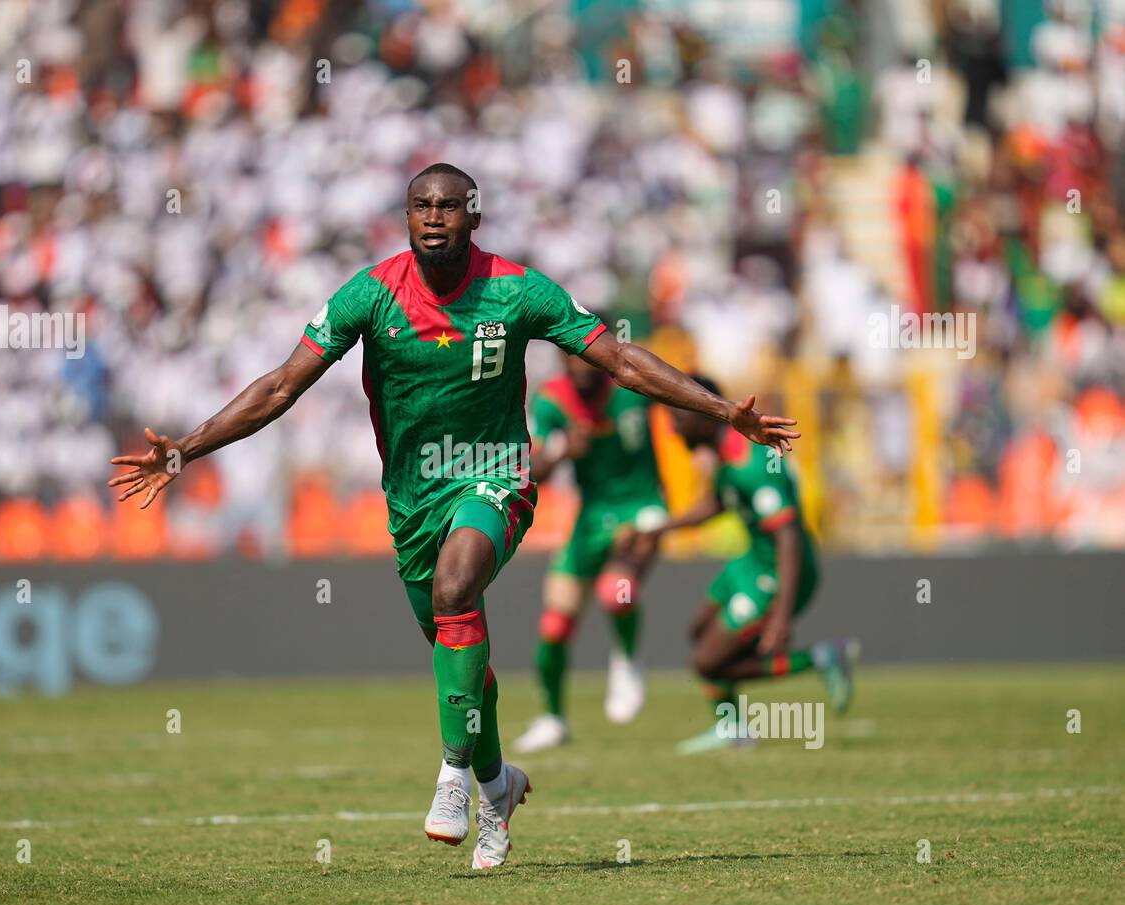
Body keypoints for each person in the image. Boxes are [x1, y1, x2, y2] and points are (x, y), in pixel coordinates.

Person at [109, 165, 800, 867]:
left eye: (447, 206)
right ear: (406, 217)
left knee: (454, 587)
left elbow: (619, 360)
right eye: (420, 206)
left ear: (474, 217)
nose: (433, 217)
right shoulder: (369, 296)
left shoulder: (519, 290)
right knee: (459, 651)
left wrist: (721, 411)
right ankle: (497, 785)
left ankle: (451, 778)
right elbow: (282, 385)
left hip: (497, 476)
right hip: (411, 501)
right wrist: (186, 450)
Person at [629, 374, 854, 755]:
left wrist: (781, 617)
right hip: (752, 561)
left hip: (777, 572)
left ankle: (819, 658)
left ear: (700, 416)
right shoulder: (725, 453)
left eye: (677, 418)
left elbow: (788, 538)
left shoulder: (750, 461)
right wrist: (662, 528)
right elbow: (718, 503)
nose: (673, 430)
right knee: (699, 631)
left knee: (707, 663)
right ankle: (733, 726)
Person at [515, 352, 667, 753]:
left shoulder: (632, 384)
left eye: (587, 359)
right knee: (554, 627)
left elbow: (683, 394)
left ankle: (629, 660)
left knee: (616, 593)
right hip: (591, 518)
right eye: (572, 360)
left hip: (643, 507)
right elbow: (535, 472)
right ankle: (553, 718)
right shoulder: (552, 400)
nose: (581, 367)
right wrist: (563, 449)